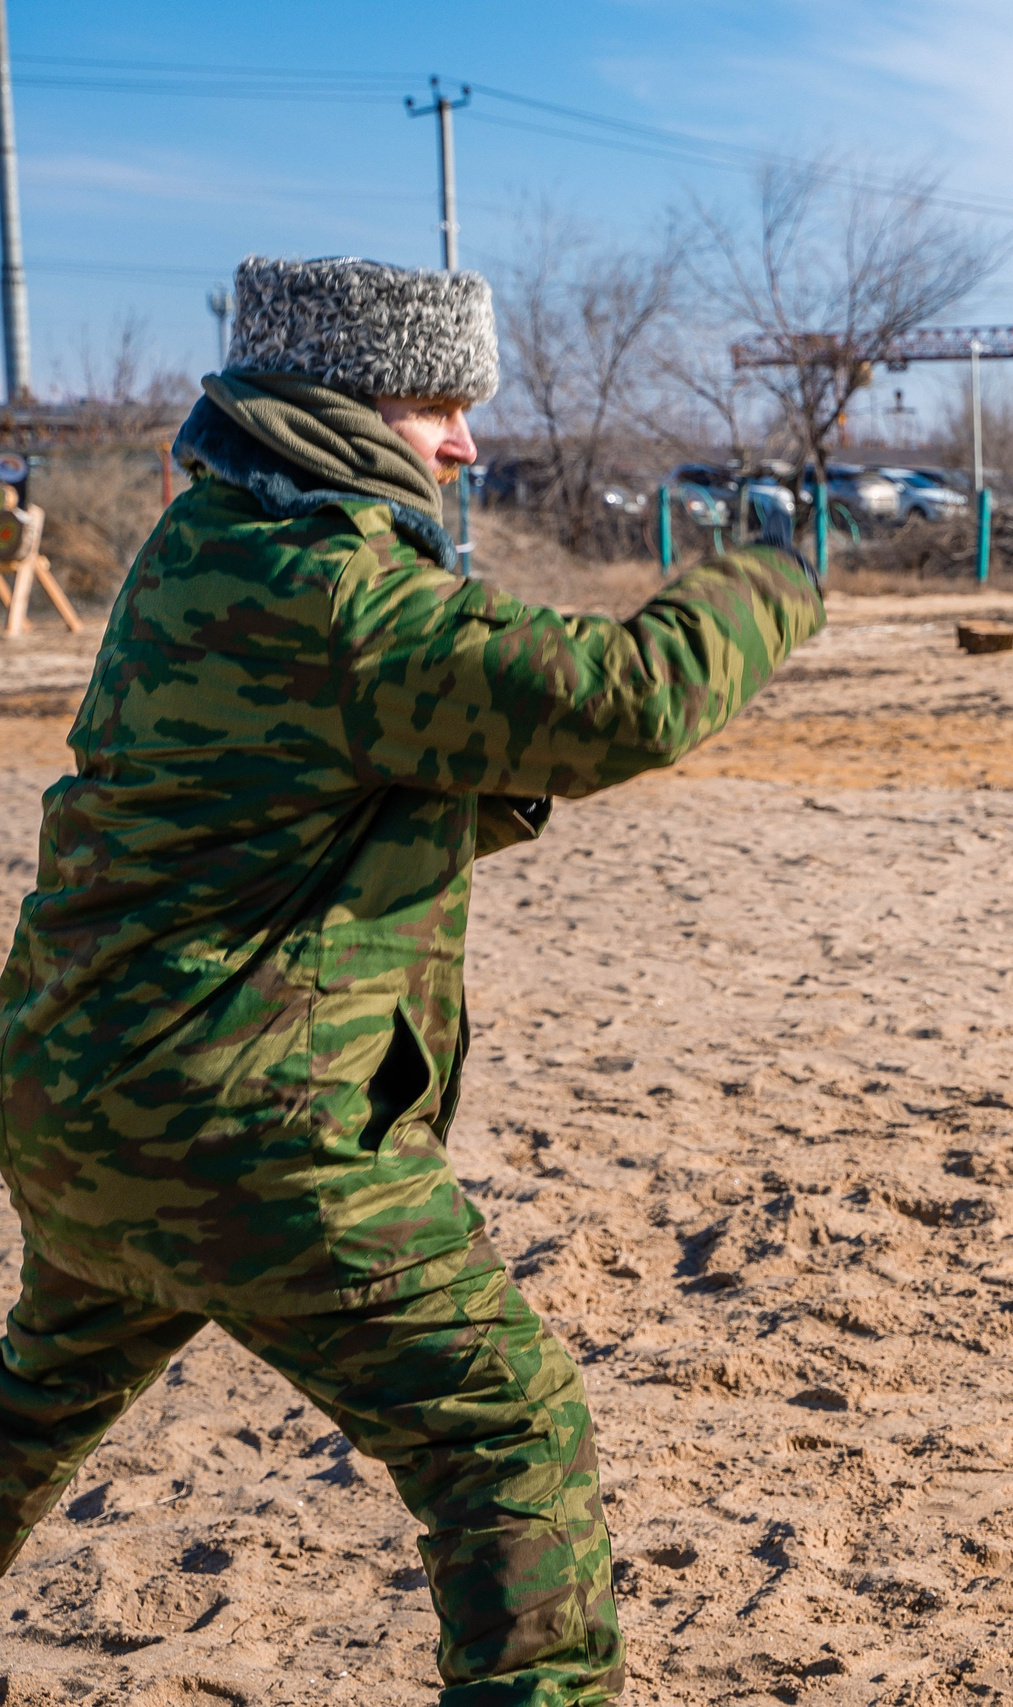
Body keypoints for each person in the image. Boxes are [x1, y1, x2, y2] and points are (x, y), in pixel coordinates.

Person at [0, 256, 825, 1705]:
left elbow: (308, 789)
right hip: (243, 1128)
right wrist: (773, 577)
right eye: (437, 404)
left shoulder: (205, 546)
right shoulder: (336, 589)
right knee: (504, 1429)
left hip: (79, 1096)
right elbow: (624, 701)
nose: (463, 442)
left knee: (29, 1410)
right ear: (339, 403)